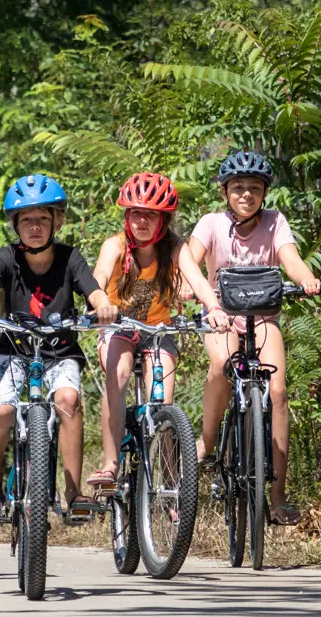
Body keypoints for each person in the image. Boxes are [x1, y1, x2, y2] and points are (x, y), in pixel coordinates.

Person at [0, 175, 117, 520]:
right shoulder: (8, 257)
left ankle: (73, 494)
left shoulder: (70, 257)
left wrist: (103, 305)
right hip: (14, 350)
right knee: (1, 411)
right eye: (26, 219)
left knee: (69, 401)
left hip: (60, 352)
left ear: (57, 221)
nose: (35, 226)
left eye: (43, 218)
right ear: (15, 225)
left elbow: (93, 289)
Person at [188, 151, 320, 526]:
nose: (246, 194)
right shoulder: (211, 223)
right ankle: (208, 441)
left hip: (262, 317)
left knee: (277, 391)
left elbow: (289, 257)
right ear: (225, 191)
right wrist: (188, 285)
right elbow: (192, 257)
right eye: (239, 188)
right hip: (221, 317)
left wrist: (304, 277)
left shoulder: (275, 221)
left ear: (265, 192)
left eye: (255, 188)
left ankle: (277, 496)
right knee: (221, 366)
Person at [87, 171, 225, 489]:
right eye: (136, 213)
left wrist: (214, 307)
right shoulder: (115, 246)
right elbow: (97, 277)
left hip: (159, 333)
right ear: (127, 215)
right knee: (118, 374)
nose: (143, 221)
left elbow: (198, 279)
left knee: (162, 401)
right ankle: (110, 464)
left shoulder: (175, 248)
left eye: (152, 214)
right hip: (118, 329)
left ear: (164, 219)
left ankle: (171, 484)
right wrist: (97, 305)